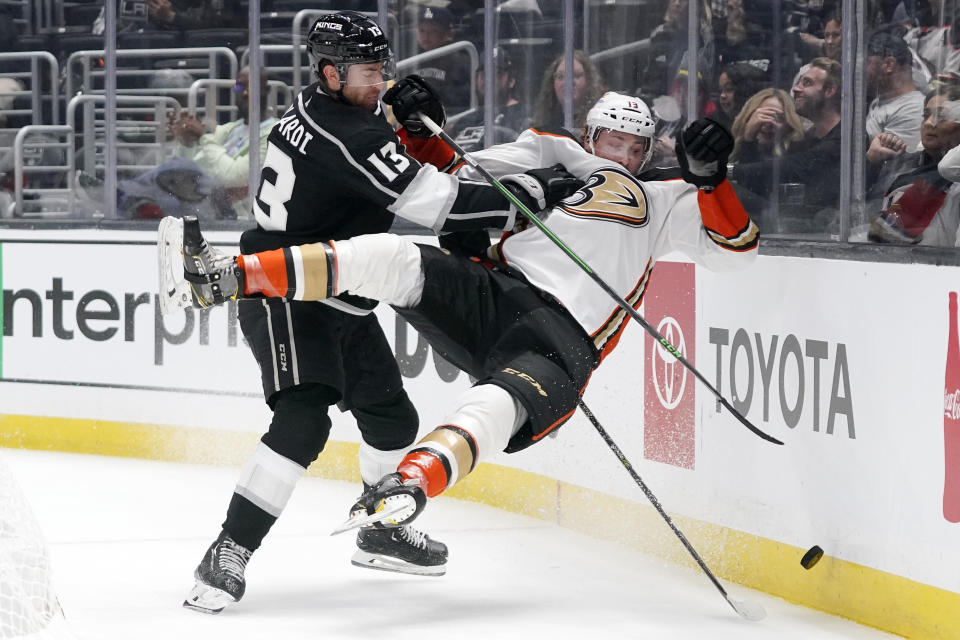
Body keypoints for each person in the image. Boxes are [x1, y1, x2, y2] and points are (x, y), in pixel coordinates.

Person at [159, 113, 759, 543]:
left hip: (563, 340)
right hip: (493, 293)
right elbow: (463, 177)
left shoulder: (668, 197)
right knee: (389, 258)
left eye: (636, 145)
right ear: (589, 135)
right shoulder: (553, 152)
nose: (622, 154)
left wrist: (713, 180)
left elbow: (738, 252)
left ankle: (407, 489)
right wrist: (423, 131)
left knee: (494, 407)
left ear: (650, 151)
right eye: (612, 139)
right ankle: (225, 276)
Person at [167, 11, 583, 615]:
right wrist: (535, 194)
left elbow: (371, 143)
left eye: (383, 69)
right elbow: (442, 206)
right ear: (332, 72)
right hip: (287, 289)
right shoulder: (352, 136)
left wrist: (398, 111)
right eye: (369, 71)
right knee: (303, 422)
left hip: (341, 291)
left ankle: (380, 532)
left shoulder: (321, 108)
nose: (380, 80)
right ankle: (226, 552)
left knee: (391, 420)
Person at [729, 57, 843, 221]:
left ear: (829, 90)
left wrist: (728, 171)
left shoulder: (845, 138)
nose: (796, 89)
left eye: (807, 83)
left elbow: (795, 166)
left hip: (818, 231)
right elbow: (758, 183)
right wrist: (748, 140)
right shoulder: (809, 138)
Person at [167, 66, 277, 219]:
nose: (245, 93)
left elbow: (233, 176)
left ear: (266, 89)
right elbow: (195, 166)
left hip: (238, 219)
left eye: (253, 86)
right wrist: (187, 142)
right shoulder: (230, 129)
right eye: (240, 86)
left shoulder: (275, 133)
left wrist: (203, 136)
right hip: (205, 205)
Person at [868, 86, 960, 245]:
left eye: (942, 116)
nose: (929, 123)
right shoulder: (904, 166)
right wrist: (873, 163)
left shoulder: (954, 175)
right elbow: (865, 213)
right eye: (926, 115)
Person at [447, 47, 527, 153]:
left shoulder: (525, 115)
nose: (488, 78)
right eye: (483, 73)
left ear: (511, 81)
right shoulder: (466, 119)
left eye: (496, 73)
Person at [864, 31, 925, 151]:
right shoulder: (879, 101)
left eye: (867, 62)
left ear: (889, 64)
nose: (863, 70)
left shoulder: (912, 109)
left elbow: (897, 166)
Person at [408, 5, 472, 115]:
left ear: (449, 34)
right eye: (422, 30)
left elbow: (464, 98)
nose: (426, 36)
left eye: (433, 31)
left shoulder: (460, 61)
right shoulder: (411, 59)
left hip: (447, 117)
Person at [530, 51, 605, 137]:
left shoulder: (600, 122)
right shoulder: (543, 121)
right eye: (561, 77)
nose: (568, 82)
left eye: (576, 76)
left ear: (589, 81)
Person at [714, 61, 769, 131]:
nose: (722, 95)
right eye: (720, 90)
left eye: (729, 89)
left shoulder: (763, 125)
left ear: (745, 91)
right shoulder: (716, 123)